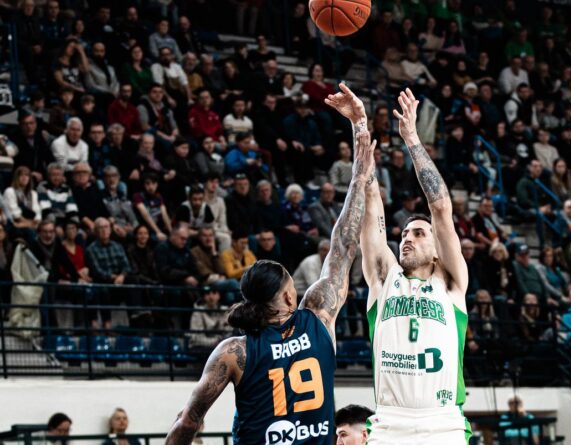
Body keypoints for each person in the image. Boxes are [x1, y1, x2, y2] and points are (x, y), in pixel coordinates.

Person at [165, 104, 375, 445]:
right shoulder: (319, 317)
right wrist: (359, 176)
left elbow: (188, 422)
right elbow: (343, 245)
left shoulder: (234, 352)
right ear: (291, 296)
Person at [353, 87, 471, 442]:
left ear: (437, 250)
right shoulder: (383, 277)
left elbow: (440, 207)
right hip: (390, 421)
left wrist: (412, 139)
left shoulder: (450, 282)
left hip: (444, 420)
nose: (407, 237)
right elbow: (371, 199)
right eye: (404, 233)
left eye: (419, 233)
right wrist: (360, 125)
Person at [188, 288, 230, 352]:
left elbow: (229, 331)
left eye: (214, 292)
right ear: (204, 297)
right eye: (207, 293)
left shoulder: (225, 310)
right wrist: (216, 342)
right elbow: (197, 338)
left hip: (220, 346)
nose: (211, 296)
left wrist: (220, 342)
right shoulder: (198, 312)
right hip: (202, 347)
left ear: (219, 296)